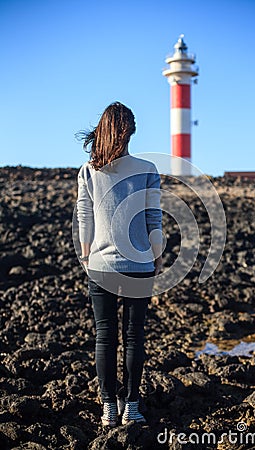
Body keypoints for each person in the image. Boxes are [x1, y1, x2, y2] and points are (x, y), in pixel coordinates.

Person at [76, 102, 163, 427]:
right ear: (131, 131)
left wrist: (87, 256)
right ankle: (132, 407)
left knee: (104, 336)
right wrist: (156, 256)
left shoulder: (89, 170)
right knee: (134, 336)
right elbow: (154, 218)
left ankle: (108, 408)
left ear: (104, 130)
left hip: (99, 265)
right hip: (139, 265)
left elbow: (84, 218)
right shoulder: (148, 169)